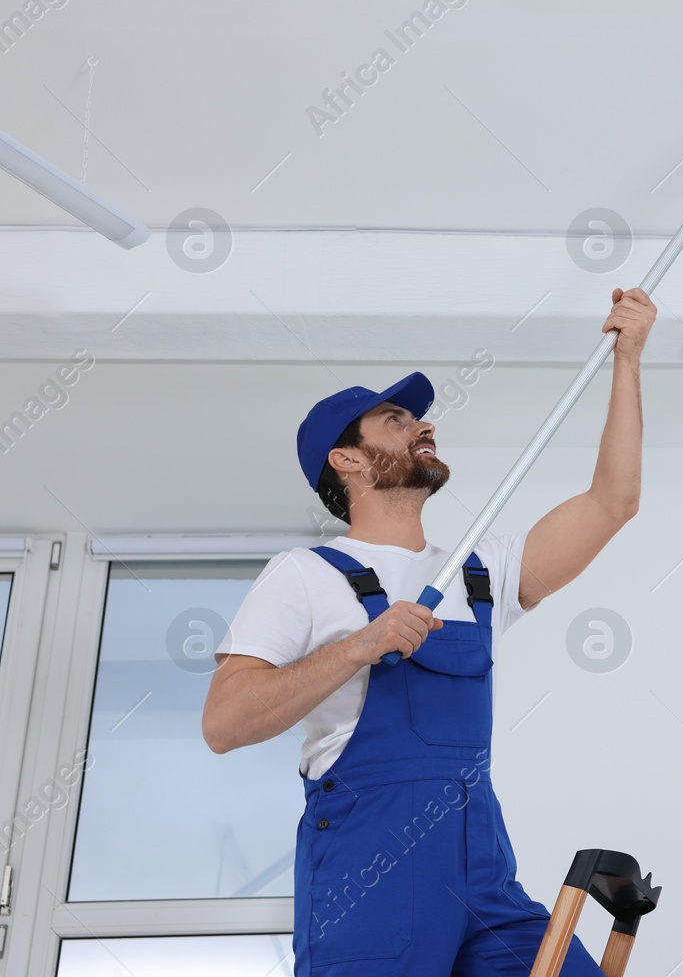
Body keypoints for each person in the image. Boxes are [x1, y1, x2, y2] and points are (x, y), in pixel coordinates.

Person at [201, 288, 657, 976]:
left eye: (418, 418)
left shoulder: (483, 573)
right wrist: (360, 645)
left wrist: (628, 361)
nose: (421, 426)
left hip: (484, 876)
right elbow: (225, 723)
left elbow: (613, 502)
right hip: (370, 876)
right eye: (393, 420)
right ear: (346, 460)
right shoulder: (303, 574)